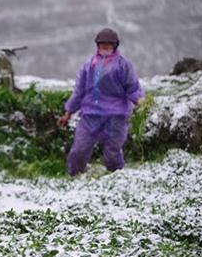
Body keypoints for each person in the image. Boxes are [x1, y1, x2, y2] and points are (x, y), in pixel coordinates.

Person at [57, 28, 144, 176]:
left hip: (116, 116)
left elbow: (132, 87)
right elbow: (79, 91)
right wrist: (68, 112)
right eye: (102, 44)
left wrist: (140, 101)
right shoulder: (89, 65)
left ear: (115, 45)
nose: (105, 47)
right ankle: (74, 176)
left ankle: (117, 179)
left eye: (108, 44)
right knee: (79, 149)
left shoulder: (123, 65)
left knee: (112, 153)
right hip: (90, 114)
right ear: (97, 45)